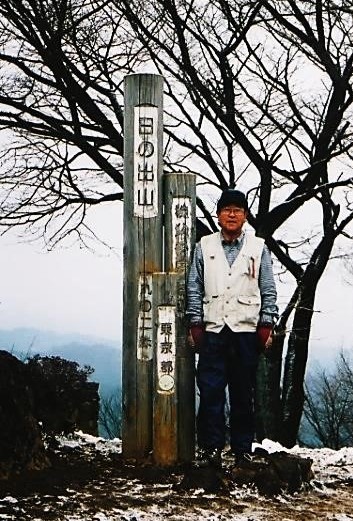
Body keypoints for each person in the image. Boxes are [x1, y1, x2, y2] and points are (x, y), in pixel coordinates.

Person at [186, 189, 278, 468]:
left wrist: (266, 324)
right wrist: (195, 323)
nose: (232, 214)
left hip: (246, 331)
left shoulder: (258, 248)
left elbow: (268, 288)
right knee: (211, 392)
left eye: (238, 210)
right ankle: (210, 449)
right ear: (218, 215)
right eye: (227, 209)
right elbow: (194, 285)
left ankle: (242, 450)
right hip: (214, 329)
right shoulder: (204, 245)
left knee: (242, 394)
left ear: (245, 216)